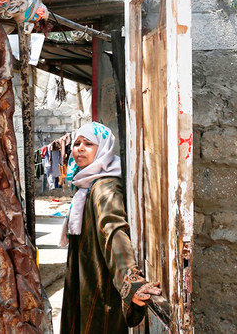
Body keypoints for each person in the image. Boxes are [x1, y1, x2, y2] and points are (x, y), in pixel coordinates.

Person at [59, 122, 161, 334]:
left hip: (100, 284)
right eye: (77, 143)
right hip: (85, 279)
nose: (80, 148)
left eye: (89, 143)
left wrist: (130, 279)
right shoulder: (86, 186)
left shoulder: (104, 187)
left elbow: (113, 230)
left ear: (103, 148)